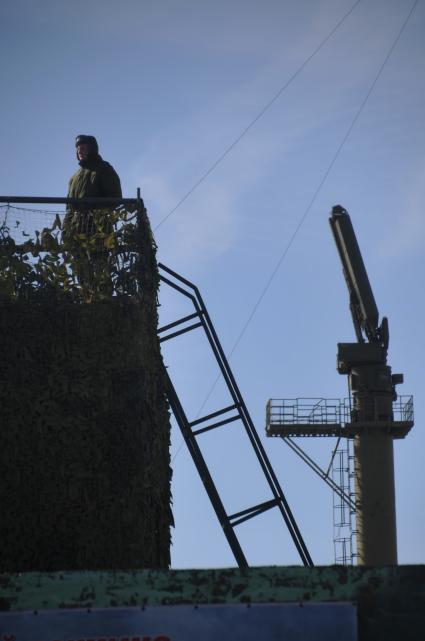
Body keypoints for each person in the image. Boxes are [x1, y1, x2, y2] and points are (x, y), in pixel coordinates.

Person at [68, 134, 122, 200]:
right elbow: (69, 204)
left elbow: (114, 197)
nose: (79, 151)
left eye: (82, 148)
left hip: (99, 210)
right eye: (78, 149)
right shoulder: (73, 179)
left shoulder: (104, 168)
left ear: (91, 149)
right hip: (77, 211)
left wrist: (96, 208)